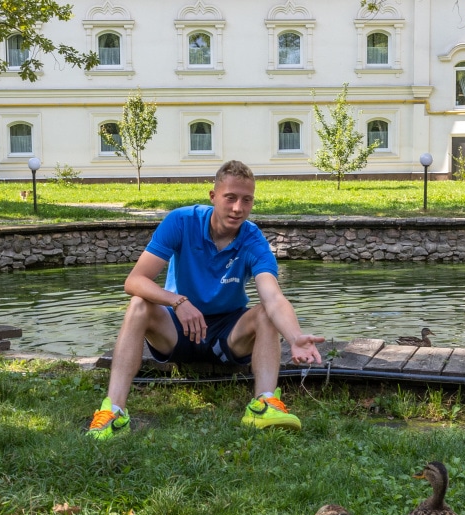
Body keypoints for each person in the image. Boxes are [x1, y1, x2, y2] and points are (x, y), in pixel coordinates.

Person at [87, 160, 325, 439]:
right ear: (213, 196)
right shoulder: (181, 221)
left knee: (265, 313)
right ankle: (114, 412)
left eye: (246, 200)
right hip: (176, 329)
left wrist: (295, 336)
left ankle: (264, 405)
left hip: (228, 335)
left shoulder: (253, 240)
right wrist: (178, 301)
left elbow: (273, 297)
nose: (238, 208)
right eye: (230, 198)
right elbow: (134, 281)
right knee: (139, 304)